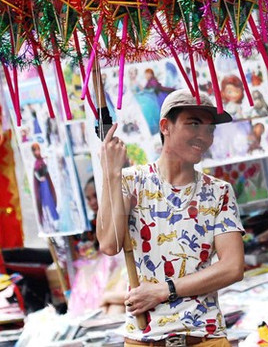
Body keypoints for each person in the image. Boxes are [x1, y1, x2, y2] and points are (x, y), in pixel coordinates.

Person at [97, 89, 245, 346]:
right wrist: (111, 174)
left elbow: (232, 267)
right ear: (165, 126)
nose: (204, 136)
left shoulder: (219, 191)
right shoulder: (131, 182)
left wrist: (164, 290)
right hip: (144, 339)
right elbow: (110, 244)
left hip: (205, 338)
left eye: (209, 129)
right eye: (193, 124)